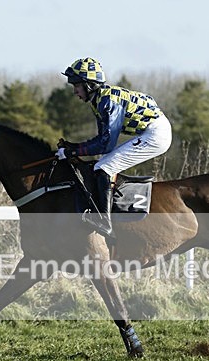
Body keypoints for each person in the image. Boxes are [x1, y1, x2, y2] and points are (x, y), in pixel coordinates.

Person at [56, 57, 172, 239]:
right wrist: (75, 146)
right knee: (102, 164)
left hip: (157, 134)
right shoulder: (99, 100)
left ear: (89, 85)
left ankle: (105, 222)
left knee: (104, 167)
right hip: (151, 131)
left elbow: (106, 144)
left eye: (76, 86)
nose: (74, 92)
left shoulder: (108, 101)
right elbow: (103, 141)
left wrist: (72, 151)